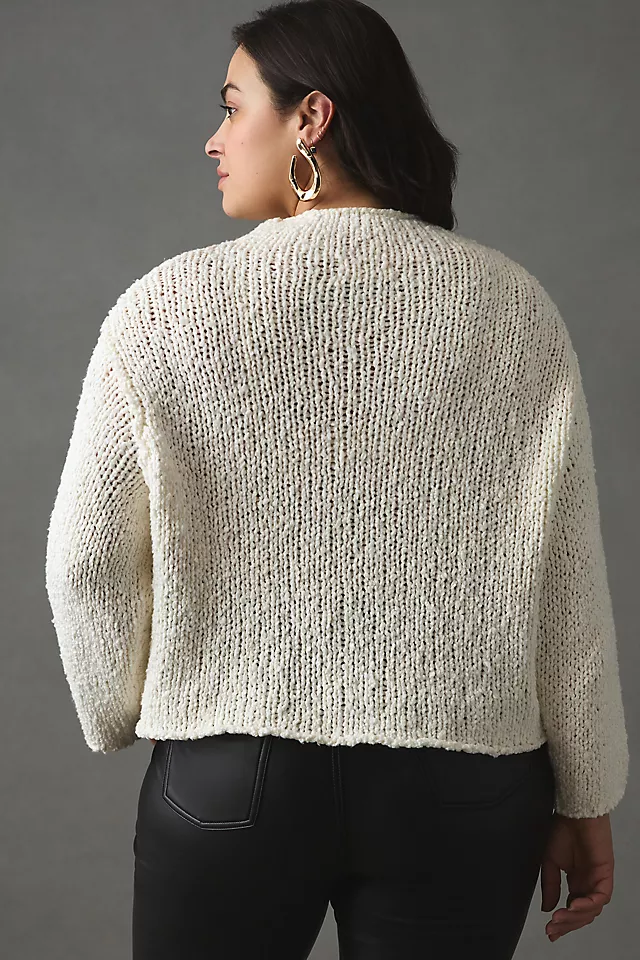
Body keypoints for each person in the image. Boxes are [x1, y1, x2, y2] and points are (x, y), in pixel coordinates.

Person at [44, 2, 628, 958]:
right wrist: (588, 788)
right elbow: (564, 577)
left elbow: (87, 559)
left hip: (230, 775)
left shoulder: (164, 310)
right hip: (464, 785)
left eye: (233, 107)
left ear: (310, 117)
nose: (213, 139)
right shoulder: (512, 308)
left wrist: (121, 708)